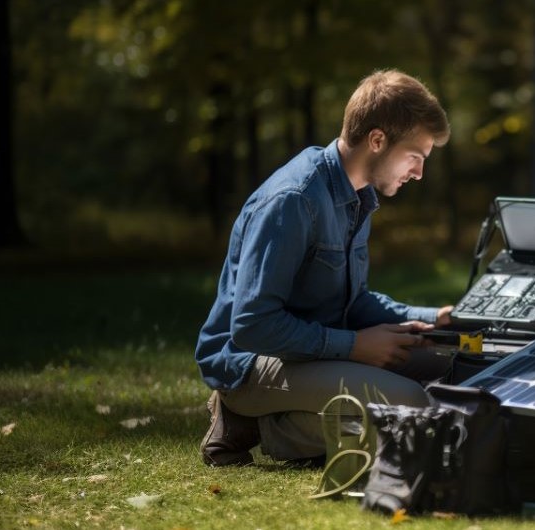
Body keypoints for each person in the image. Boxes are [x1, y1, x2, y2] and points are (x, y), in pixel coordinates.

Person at [195, 70, 455, 467]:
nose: (419, 173)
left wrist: (434, 319)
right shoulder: (293, 200)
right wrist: (355, 346)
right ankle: (249, 424)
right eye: (416, 157)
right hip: (249, 364)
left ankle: (303, 417)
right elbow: (252, 326)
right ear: (377, 140)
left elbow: (353, 301)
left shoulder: (358, 195)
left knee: (451, 365)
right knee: (413, 406)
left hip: (311, 354)